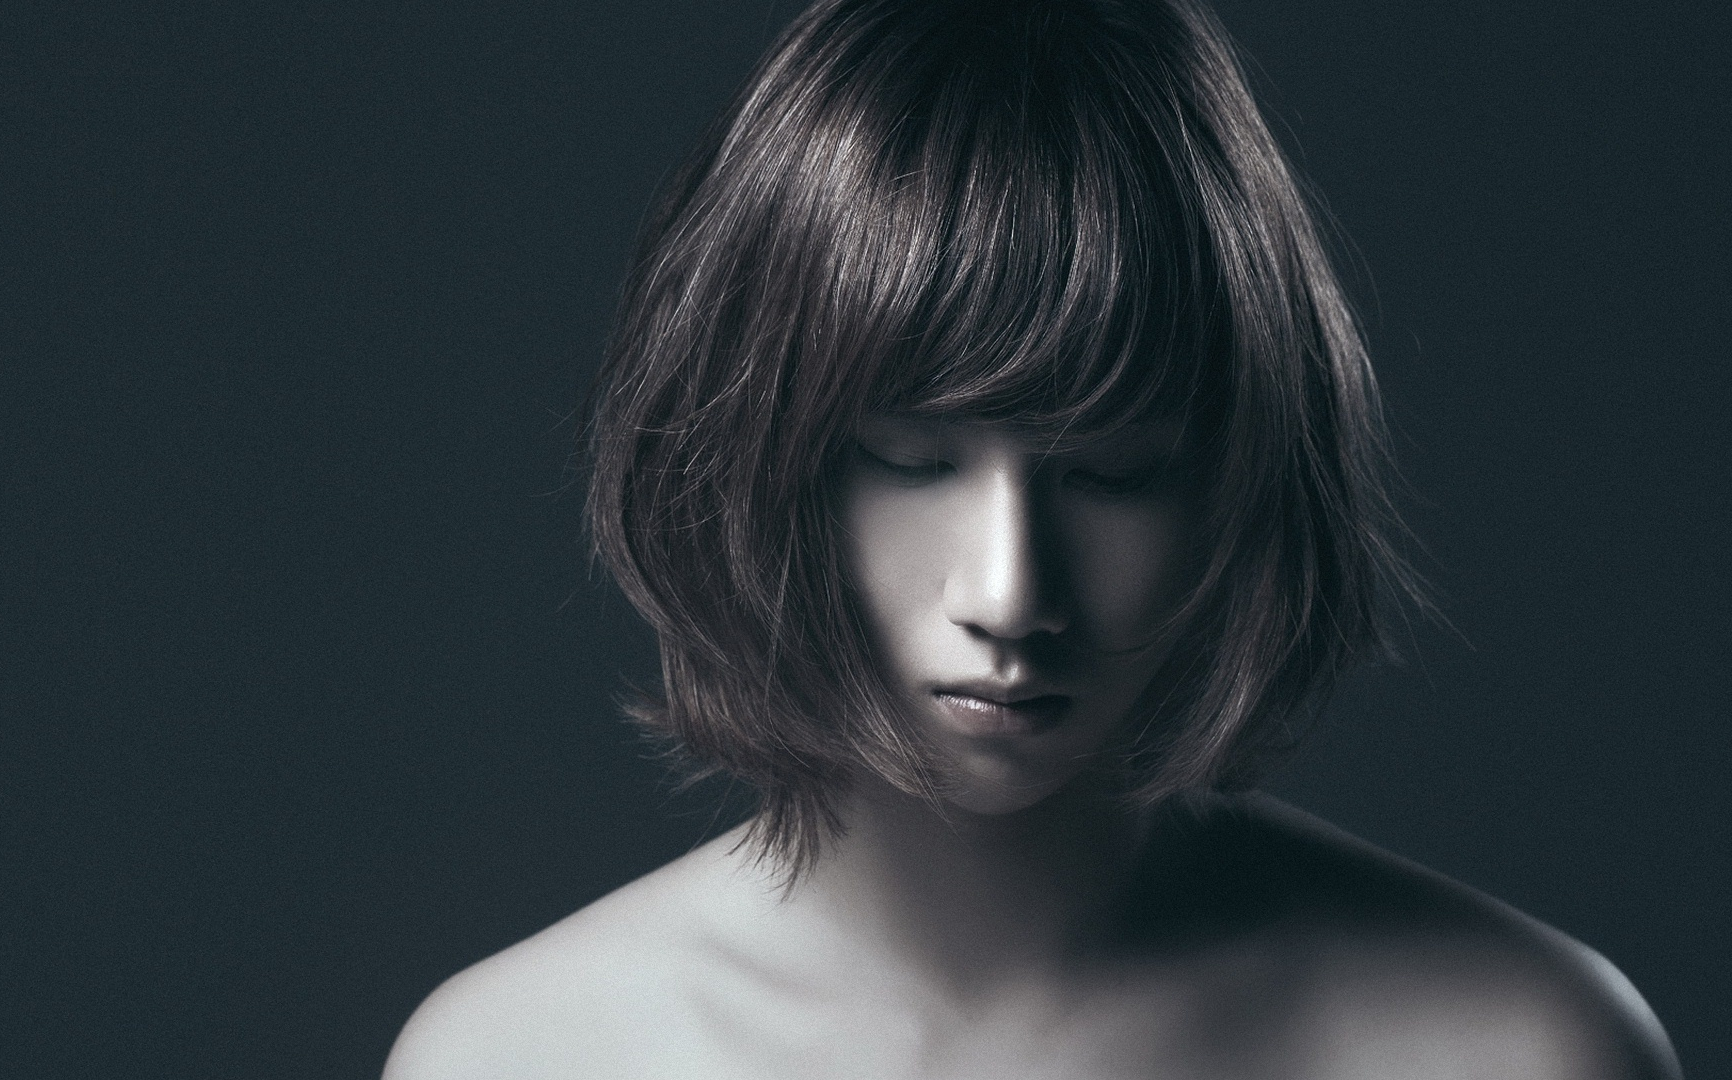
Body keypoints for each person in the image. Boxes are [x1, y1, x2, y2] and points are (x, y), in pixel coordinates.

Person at [386, 0, 1681, 1075]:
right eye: (912, 461)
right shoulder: (515, 1058)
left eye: (1112, 474)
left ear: (1231, 482)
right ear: (753, 462)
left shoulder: (1523, 1048)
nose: (1011, 595)